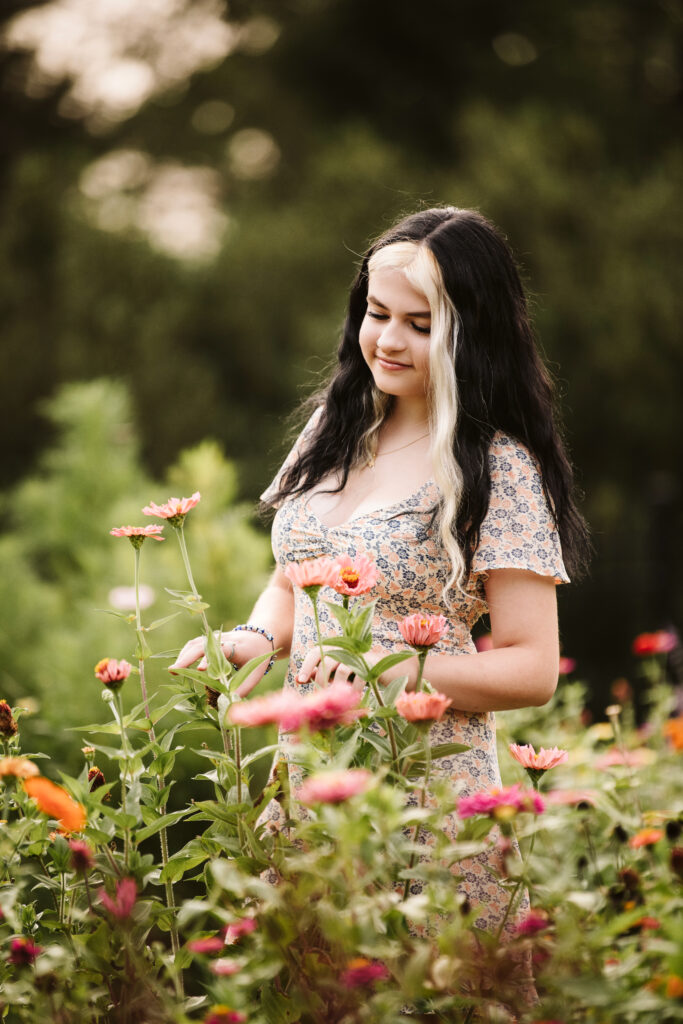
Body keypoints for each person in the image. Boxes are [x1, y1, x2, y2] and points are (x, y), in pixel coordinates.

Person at [172, 206, 590, 938]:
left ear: (471, 332)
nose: (388, 340)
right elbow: (290, 579)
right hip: (309, 780)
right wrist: (248, 640)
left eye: (420, 324)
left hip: (424, 795)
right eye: (376, 313)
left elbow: (533, 669)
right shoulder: (333, 430)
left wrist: (397, 671)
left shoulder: (499, 467)